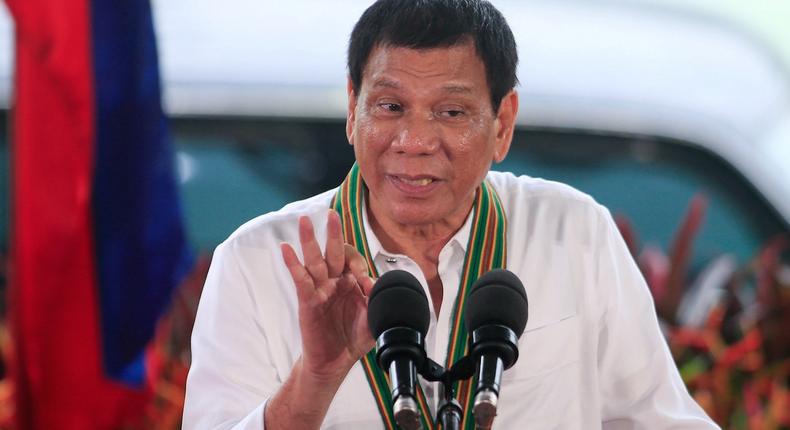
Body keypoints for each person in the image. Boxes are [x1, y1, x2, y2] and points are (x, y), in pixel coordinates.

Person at [183, 0, 720, 428]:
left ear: (503, 122)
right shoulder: (258, 263)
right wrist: (317, 377)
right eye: (390, 107)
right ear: (353, 109)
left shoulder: (573, 234)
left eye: (451, 111)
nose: (414, 142)